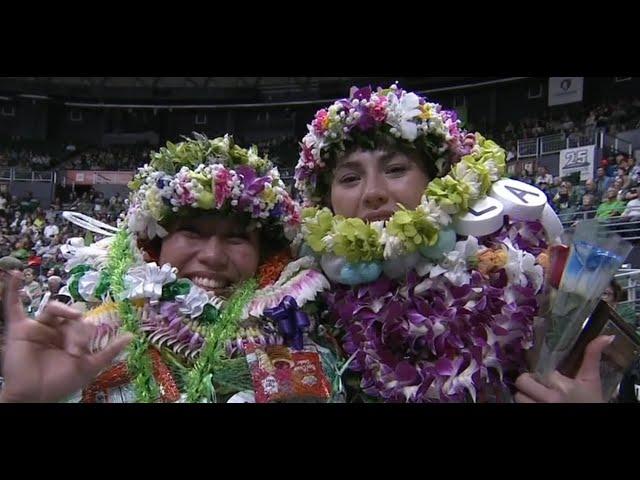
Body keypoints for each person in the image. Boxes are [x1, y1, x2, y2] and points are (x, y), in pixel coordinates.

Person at [294, 83, 612, 403]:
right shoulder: (308, 308)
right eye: (350, 178)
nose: (372, 191)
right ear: (326, 201)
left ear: (439, 179)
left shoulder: (526, 273)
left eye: (395, 169)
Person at [0, 134, 332, 403]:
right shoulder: (88, 335)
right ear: (154, 244)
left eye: (236, 238)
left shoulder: (299, 337)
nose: (213, 256)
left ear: (263, 253)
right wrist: (22, 396)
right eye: (192, 232)